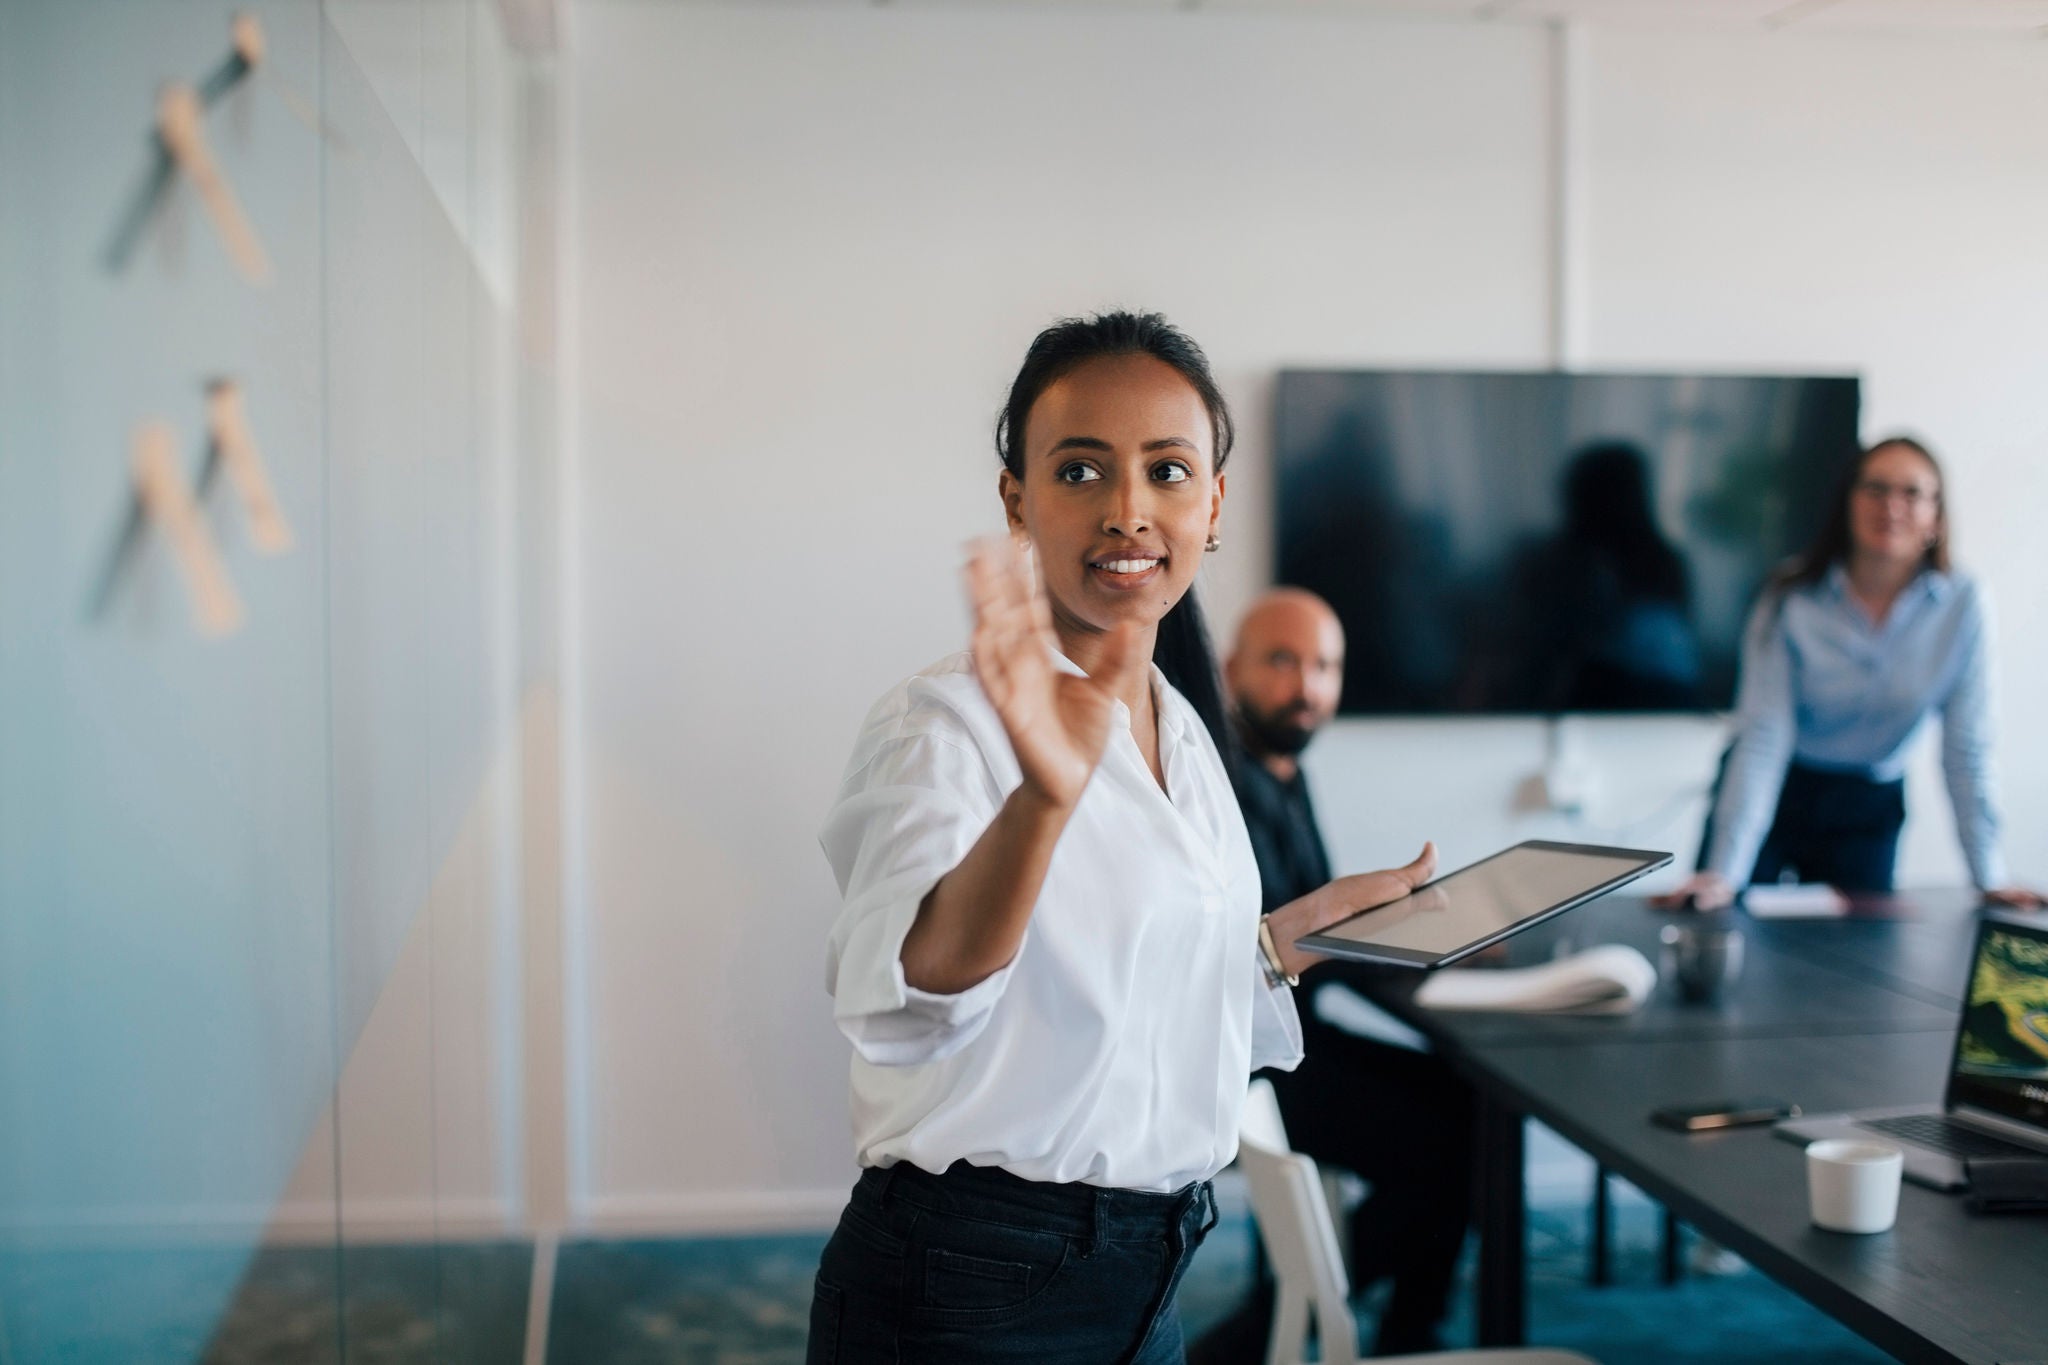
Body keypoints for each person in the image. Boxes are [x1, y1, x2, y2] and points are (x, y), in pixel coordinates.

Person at [810, 311, 1440, 1365]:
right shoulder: (940, 723)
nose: (1127, 511)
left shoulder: (1181, 726)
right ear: (1016, 498)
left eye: (1166, 470)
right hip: (974, 1284)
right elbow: (917, 984)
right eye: (1080, 471)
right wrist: (1041, 802)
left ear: (1214, 503)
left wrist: (1294, 937)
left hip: (1146, 1269)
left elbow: (1133, 995)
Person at [1191, 589, 1475, 1361]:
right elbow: (1269, 945)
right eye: (1282, 660)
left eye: (1324, 666)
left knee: (1467, 1104)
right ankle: (1295, 1307)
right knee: (1462, 1145)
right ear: (1230, 669)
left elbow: (1314, 927)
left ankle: (1395, 1324)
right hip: (1258, 1058)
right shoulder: (1224, 785)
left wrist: (1426, 934)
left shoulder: (1284, 770)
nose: (1305, 685)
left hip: (1304, 1038)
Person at [1666, 436, 2041, 911]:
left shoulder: (1963, 604)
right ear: (1849, 502)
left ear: (1937, 516)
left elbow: (1967, 749)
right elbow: (1763, 737)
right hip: (1779, 787)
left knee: (1860, 960)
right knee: (1720, 922)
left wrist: (1990, 877)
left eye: (1912, 493)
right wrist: (1723, 875)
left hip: (1868, 803)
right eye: (1876, 489)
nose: (1891, 506)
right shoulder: (1790, 595)